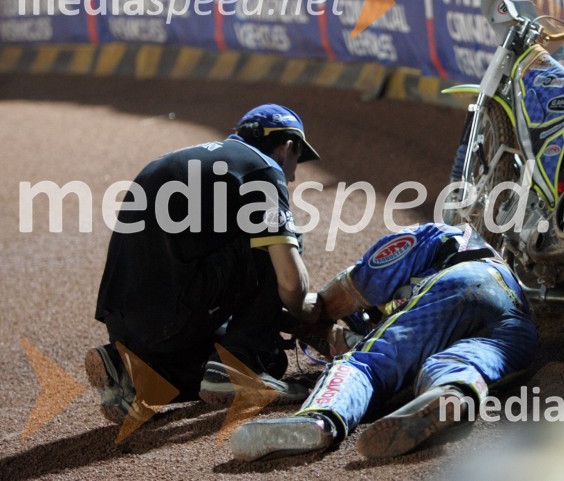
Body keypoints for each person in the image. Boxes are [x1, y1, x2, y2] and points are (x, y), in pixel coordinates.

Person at [85, 103, 321, 422]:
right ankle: (239, 366)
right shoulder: (261, 168)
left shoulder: (182, 158)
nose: (292, 177)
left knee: (269, 359)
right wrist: (304, 311)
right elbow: (291, 284)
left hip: (126, 322)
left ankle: (134, 373)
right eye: (296, 162)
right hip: (174, 311)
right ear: (287, 147)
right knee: (282, 239)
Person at [229, 223, 538, 461]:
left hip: (465, 279)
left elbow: (350, 291)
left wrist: (304, 310)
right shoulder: (494, 269)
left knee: (366, 363)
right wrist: (343, 336)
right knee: (454, 363)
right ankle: (452, 392)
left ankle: (318, 420)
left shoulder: (439, 232)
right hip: (519, 322)